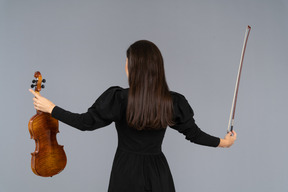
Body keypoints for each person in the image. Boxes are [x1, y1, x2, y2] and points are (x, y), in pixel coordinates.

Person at [29, 40, 236, 192]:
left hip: (125, 171)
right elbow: (194, 134)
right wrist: (224, 143)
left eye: (127, 62)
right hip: (158, 172)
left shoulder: (118, 98)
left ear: (132, 68)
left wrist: (52, 108)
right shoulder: (171, 102)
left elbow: (85, 123)